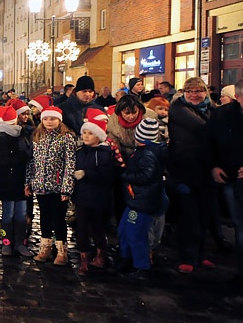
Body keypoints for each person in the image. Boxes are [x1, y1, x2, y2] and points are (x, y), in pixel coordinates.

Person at [168, 77, 218, 273]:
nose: (194, 95)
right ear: (184, 93)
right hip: (184, 169)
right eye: (190, 91)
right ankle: (187, 256)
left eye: (198, 91)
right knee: (188, 214)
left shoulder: (212, 110)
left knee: (205, 213)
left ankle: (201, 254)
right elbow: (204, 127)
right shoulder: (178, 108)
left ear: (205, 92)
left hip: (207, 169)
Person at [118, 118, 168, 283]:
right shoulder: (144, 150)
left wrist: (126, 175)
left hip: (143, 202)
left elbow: (147, 176)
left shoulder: (147, 154)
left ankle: (141, 266)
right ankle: (126, 259)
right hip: (137, 199)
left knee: (135, 234)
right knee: (124, 230)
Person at [25, 106, 76, 265]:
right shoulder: (37, 136)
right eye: (46, 119)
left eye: (52, 119)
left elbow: (70, 164)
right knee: (44, 217)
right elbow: (32, 162)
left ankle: (61, 250)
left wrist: (66, 188)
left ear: (59, 120)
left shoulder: (66, 137)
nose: (49, 122)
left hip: (58, 185)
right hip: (40, 185)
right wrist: (28, 182)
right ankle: (45, 247)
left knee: (59, 218)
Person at [206, 79, 243, 294]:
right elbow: (209, 141)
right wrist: (214, 166)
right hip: (231, 178)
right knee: (239, 225)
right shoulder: (223, 115)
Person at [72, 109, 117, 275]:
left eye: (90, 133)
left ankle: (100, 254)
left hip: (98, 197)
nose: (85, 136)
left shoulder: (104, 153)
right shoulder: (80, 151)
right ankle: (84, 257)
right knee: (81, 228)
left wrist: (86, 174)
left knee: (98, 228)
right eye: (84, 132)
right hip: (82, 197)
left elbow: (106, 175)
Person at [0, 104, 33, 257]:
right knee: (8, 214)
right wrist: (23, 156)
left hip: (20, 181)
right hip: (6, 181)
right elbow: (4, 160)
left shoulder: (20, 134)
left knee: (21, 213)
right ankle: (7, 242)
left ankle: (20, 242)